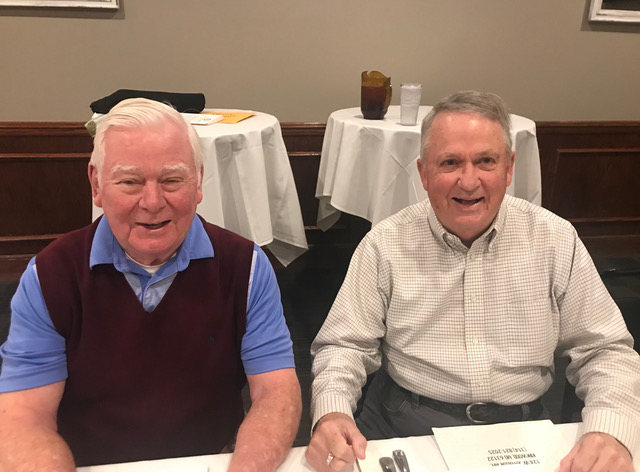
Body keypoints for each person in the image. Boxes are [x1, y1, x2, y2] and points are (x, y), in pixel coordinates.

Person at [306, 91, 640, 472]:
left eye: (485, 161)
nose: (468, 181)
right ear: (423, 173)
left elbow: (605, 351)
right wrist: (332, 413)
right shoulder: (384, 244)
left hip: (522, 434)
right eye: (450, 162)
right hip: (404, 427)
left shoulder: (555, 240)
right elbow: (343, 347)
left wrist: (611, 430)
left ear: (509, 168)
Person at [0, 98, 302, 471]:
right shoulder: (50, 276)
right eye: (130, 182)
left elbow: (276, 391)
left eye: (172, 180)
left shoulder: (246, 267)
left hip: (211, 461)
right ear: (96, 184)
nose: (153, 201)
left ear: (199, 182)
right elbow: (22, 418)